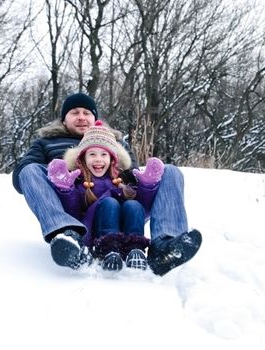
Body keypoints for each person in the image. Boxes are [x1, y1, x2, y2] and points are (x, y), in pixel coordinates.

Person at [12, 92, 201, 276]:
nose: (81, 117)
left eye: (87, 113)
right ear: (63, 119)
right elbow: (21, 180)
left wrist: (144, 182)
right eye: (74, 112)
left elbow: (132, 177)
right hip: (76, 206)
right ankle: (68, 236)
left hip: (123, 207)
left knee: (171, 171)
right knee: (29, 170)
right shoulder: (47, 142)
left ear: (95, 118)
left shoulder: (116, 142)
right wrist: (62, 176)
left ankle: (163, 246)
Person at [47, 120, 164, 271]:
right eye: (92, 154)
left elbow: (144, 207)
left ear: (112, 159)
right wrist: (66, 189)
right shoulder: (81, 181)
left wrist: (148, 185)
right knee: (109, 203)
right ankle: (108, 249)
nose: (98, 159)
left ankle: (135, 250)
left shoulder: (122, 180)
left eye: (104, 154)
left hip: (124, 229)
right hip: (96, 234)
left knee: (133, 204)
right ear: (82, 158)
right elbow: (73, 212)